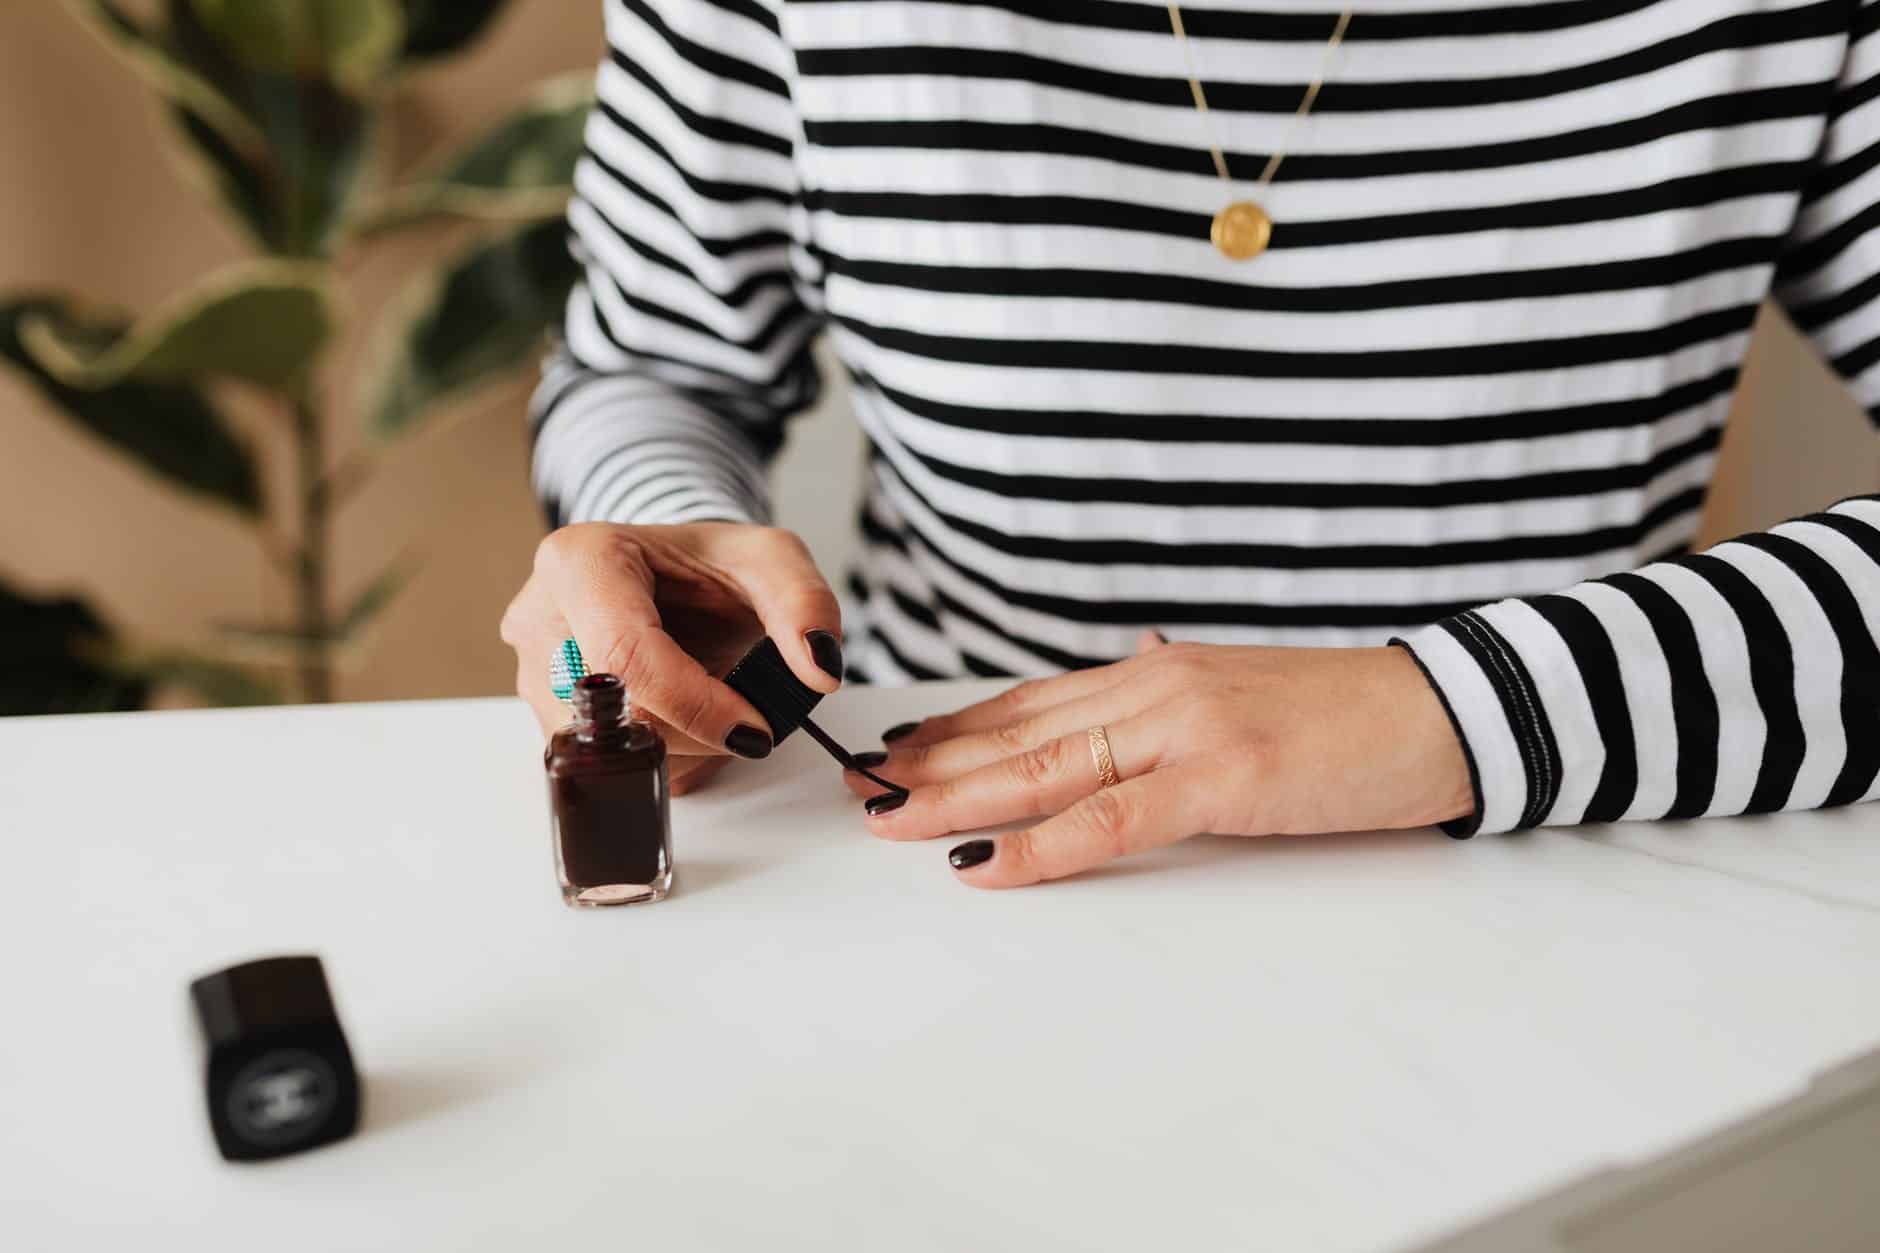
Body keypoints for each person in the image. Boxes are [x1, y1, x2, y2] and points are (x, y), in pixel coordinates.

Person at [501, 0, 1879, 889]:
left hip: (1583, 856)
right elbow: (654, 366)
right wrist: (661, 546)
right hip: (925, 854)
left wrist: (1453, 707)